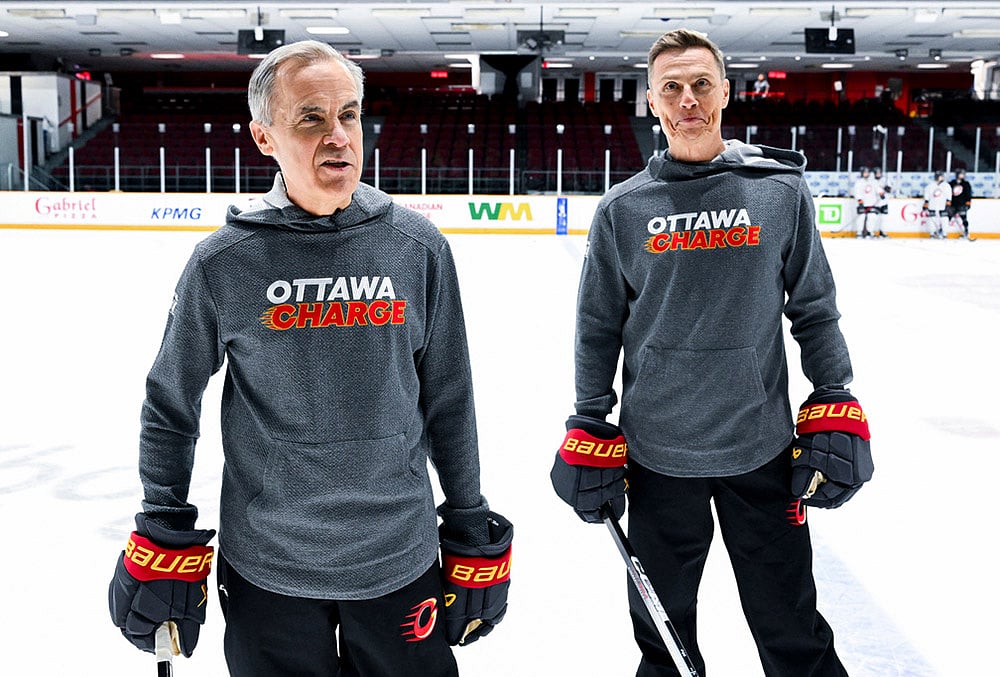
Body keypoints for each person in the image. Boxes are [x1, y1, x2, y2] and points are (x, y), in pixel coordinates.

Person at [108, 40, 512, 676]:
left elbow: (449, 395)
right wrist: (161, 522)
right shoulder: (224, 263)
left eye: (348, 115)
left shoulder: (415, 246)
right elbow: (171, 398)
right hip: (269, 568)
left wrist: (467, 516)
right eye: (311, 118)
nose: (338, 137)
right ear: (264, 137)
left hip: (397, 561)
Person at [550, 28, 873, 677]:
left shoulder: (777, 190)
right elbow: (596, 328)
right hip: (657, 459)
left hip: (763, 450)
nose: (688, 98)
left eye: (701, 83)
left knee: (791, 628)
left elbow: (813, 306)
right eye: (672, 86)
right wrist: (590, 418)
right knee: (664, 641)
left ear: (726, 90)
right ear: (652, 100)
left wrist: (834, 394)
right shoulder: (623, 210)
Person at [851, 166, 880, 238]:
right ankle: (859, 232)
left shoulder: (873, 181)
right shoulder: (859, 182)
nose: (866, 174)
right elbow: (856, 192)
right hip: (862, 203)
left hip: (871, 203)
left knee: (872, 217)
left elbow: (878, 189)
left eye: (867, 172)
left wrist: (881, 193)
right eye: (864, 173)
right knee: (861, 217)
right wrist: (859, 199)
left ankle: (870, 232)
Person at [922, 170, 950, 239]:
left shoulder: (946, 186)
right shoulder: (930, 186)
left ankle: (944, 233)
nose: (942, 178)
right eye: (941, 176)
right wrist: (926, 203)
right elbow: (927, 196)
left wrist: (948, 204)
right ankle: (932, 233)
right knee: (931, 219)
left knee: (944, 219)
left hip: (942, 205)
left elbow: (949, 196)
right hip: (932, 205)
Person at [948, 168, 973, 239]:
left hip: (962, 204)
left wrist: (968, 203)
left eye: (963, 174)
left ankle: (966, 231)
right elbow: (948, 193)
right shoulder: (952, 183)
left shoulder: (966, 184)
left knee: (964, 219)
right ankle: (942, 231)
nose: (963, 175)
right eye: (961, 174)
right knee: (947, 218)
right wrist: (948, 202)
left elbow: (968, 194)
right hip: (953, 204)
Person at [871, 167, 891, 238]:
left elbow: (890, 189)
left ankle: (882, 231)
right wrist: (880, 192)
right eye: (877, 173)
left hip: (884, 202)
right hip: (875, 202)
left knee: (884, 218)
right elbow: (875, 189)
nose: (878, 174)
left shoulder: (885, 180)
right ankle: (871, 232)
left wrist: (888, 188)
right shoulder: (872, 181)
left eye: (879, 173)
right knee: (873, 218)